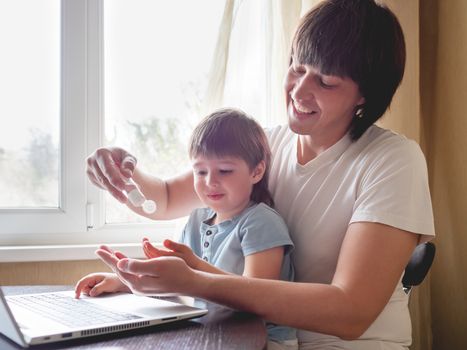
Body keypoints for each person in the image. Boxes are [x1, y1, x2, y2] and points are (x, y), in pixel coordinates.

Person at [85, 0, 435, 349]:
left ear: (365, 95)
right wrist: (122, 173)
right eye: (296, 68)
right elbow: (164, 198)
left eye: (325, 81)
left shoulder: (393, 161)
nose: (298, 92)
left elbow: (351, 312)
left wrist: (193, 281)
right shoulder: (266, 146)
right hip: (253, 337)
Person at [76, 109, 297, 348]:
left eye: (224, 171)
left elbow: (259, 297)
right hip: (214, 332)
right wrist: (123, 280)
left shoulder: (261, 222)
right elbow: (173, 282)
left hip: (265, 339)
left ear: (257, 171)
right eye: (200, 171)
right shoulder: (195, 220)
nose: (210, 181)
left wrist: (192, 268)